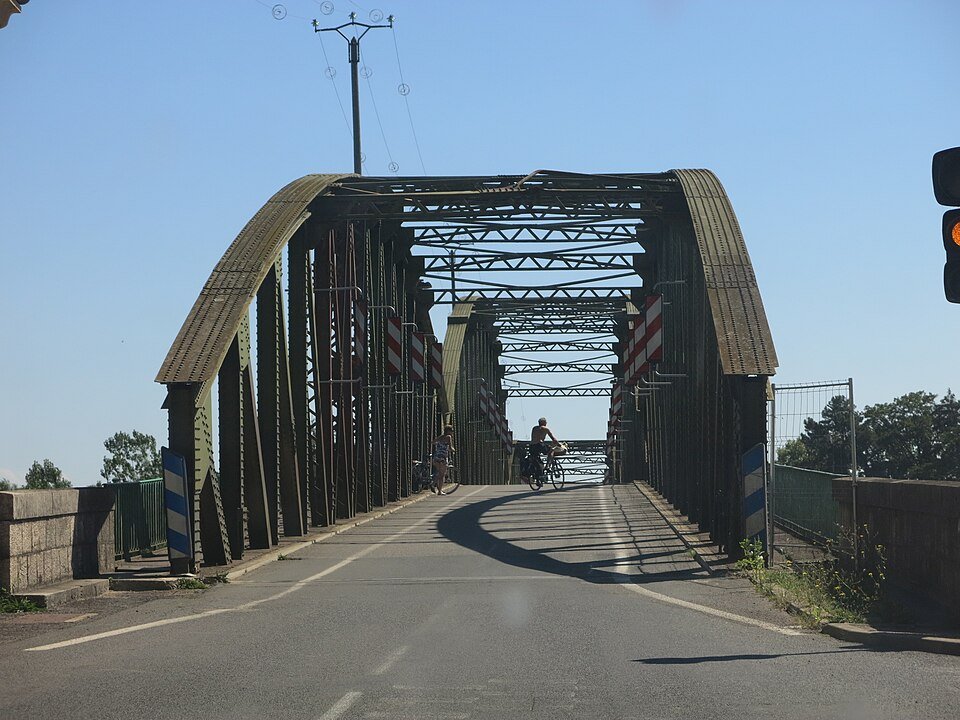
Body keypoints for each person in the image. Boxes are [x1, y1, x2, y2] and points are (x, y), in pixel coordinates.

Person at [528, 417, 560, 485]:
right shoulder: (545, 429)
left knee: (538, 463)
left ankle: (538, 479)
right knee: (551, 450)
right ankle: (547, 466)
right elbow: (553, 439)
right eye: (546, 422)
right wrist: (559, 444)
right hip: (539, 445)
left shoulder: (534, 428)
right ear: (544, 423)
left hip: (531, 447)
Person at [431, 425, 455, 495]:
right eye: (451, 431)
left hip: (436, 457)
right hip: (443, 457)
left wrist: (439, 445)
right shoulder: (448, 437)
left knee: (439, 472)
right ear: (448, 431)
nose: (452, 432)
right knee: (442, 475)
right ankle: (437, 489)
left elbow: (433, 442)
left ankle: (435, 484)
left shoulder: (441, 437)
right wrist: (453, 450)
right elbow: (450, 447)